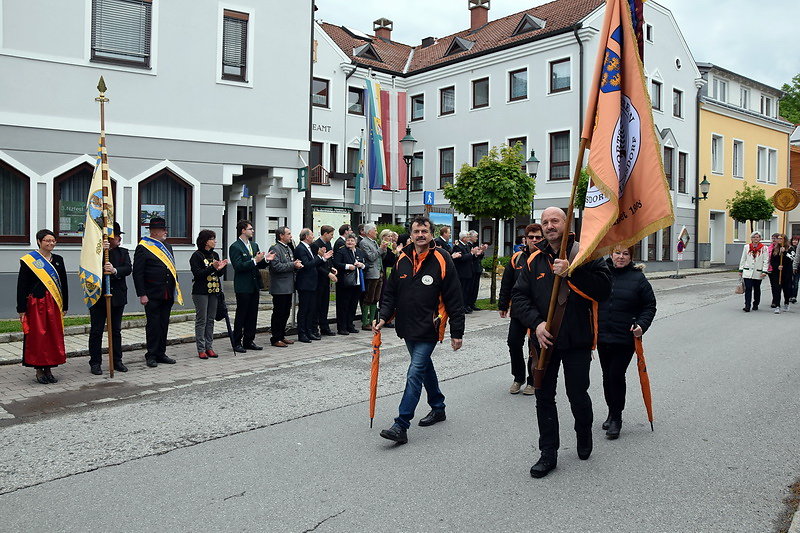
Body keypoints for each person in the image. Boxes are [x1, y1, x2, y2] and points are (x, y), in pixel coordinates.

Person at [511, 207, 611, 478]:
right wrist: (537, 324)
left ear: (567, 224)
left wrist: (572, 273)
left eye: (555, 220)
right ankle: (548, 452)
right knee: (543, 396)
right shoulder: (532, 260)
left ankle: (583, 433)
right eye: (545, 222)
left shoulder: (586, 252)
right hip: (544, 342)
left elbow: (604, 290)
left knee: (577, 394)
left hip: (577, 339)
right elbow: (519, 298)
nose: (549, 225)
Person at [375, 216, 465, 445]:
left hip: (430, 325)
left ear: (431, 233)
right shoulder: (402, 258)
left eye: (424, 231)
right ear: (411, 234)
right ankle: (438, 407)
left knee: (414, 372)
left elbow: (454, 297)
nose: (420, 235)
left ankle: (401, 424)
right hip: (407, 326)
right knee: (424, 367)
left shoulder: (442, 258)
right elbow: (391, 292)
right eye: (416, 231)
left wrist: (457, 331)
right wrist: (383, 317)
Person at [597, 245, 657, 440]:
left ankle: (617, 417)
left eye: (625, 254)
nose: (620, 257)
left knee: (616, 375)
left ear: (631, 257)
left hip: (625, 337)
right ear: (611, 254)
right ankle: (611, 410)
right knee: (607, 376)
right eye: (617, 253)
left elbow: (649, 306)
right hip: (603, 335)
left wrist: (641, 325)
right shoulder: (601, 274)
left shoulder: (638, 278)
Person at [17, 229, 68, 384]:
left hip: (53, 303)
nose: (51, 243)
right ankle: (39, 369)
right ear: (39, 241)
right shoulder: (29, 261)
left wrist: (65, 305)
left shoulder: (58, 260)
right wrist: (21, 308)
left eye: (53, 240)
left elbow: (63, 284)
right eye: (47, 240)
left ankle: (49, 368)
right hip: (36, 304)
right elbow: (22, 285)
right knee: (38, 336)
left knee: (53, 336)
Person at [498, 224, 543, 395]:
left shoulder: (545, 258)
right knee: (513, 343)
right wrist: (503, 305)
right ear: (525, 239)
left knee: (535, 346)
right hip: (518, 310)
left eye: (538, 237)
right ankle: (518, 378)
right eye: (531, 237)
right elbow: (507, 283)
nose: (534, 240)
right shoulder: (517, 258)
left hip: (538, 312)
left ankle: (532, 381)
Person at [133, 217, 182, 368]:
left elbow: (170, 268)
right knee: (153, 325)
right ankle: (151, 354)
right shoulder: (143, 247)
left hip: (166, 292)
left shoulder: (167, 246)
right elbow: (138, 273)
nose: (165, 232)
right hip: (152, 293)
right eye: (162, 229)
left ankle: (161, 353)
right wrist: (142, 294)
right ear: (154, 232)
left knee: (164, 324)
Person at [88, 222, 131, 375]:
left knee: (116, 330)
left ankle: (117, 360)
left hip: (117, 297)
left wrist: (114, 270)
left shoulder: (123, 252)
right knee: (97, 330)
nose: (119, 239)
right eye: (116, 236)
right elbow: (89, 266)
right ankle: (95, 362)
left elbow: (127, 269)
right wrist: (100, 250)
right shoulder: (95, 252)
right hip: (98, 297)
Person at [229, 220, 273, 353]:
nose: (252, 231)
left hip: (254, 285)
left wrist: (265, 260)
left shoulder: (254, 245)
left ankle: (249, 340)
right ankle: (236, 342)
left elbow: (258, 265)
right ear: (243, 230)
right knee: (241, 314)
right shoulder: (235, 247)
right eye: (250, 229)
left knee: (253, 314)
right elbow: (238, 267)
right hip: (243, 285)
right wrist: (254, 260)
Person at [191, 229, 229, 359]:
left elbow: (218, 275)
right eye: (212, 239)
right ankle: (201, 349)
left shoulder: (215, 255)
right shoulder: (197, 256)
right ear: (206, 241)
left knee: (211, 320)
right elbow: (198, 274)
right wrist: (212, 267)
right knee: (202, 320)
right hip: (201, 292)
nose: (215, 241)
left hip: (214, 291)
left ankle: (209, 347)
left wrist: (221, 268)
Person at [269, 226, 303, 347]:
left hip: (288, 286)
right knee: (278, 313)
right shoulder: (275, 248)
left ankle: (282, 335)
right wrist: (293, 265)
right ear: (281, 236)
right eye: (288, 234)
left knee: (285, 313)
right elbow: (276, 266)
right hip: (279, 287)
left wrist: (295, 264)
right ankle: (275, 337)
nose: (291, 236)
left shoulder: (288, 247)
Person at [295, 228, 331, 343]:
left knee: (311, 309)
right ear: (306, 237)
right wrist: (321, 257)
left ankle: (309, 331)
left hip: (312, 283)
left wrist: (323, 258)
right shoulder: (300, 249)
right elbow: (307, 265)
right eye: (311, 235)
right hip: (305, 283)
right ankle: (302, 333)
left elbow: (314, 263)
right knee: (304, 309)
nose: (313, 237)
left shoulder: (310, 248)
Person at [332, 233, 365, 335]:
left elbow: (364, 263)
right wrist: (347, 266)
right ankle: (342, 327)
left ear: (355, 242)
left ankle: (350, 325)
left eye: (352, 241)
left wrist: (362, 265)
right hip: (345, 282)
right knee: (343, 305)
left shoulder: (359, 251)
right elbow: (336, 263)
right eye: (348, 240)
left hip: (356, 282)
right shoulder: (341, 251)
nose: (350, 242)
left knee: (353, 304)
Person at [358, 223, 386, 330]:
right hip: (371, 274)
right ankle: (365, 322)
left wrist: (384, 249)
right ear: (369, 232)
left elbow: (381, 256)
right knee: (368, 298)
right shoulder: (364, 243)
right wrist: (380, 249)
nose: (377, 232)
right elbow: (371, 257)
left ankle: (372, 320)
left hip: (379, 273)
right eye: (375, 230)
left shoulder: (374, 242)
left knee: (376, 298)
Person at [312, 225, 338, 337]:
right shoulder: (316, 245)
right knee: (317, 305)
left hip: (325, 280)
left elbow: (328, 260)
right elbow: (316, 264)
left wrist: (331, 267)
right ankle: (314, 328)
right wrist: (328, 273)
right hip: (318, 279)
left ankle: (324, 327)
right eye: (331, 234)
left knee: (324, 304)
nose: (332, 237)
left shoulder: (328, 244)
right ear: (325, 233)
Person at [738, 231, 769, 312]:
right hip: (747, 271)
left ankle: (756, 304)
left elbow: (766, 260)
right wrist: (741, 270)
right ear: (751, 238)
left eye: (757, 237)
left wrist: (764, 271)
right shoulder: (746, 247)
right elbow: (743, 258)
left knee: (757, 288)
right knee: (748, 288)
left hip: (758, 272)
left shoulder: (764, 248)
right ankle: (747, 305)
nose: (756, 239)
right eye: (754, 237)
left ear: (760, 238)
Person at [768, 233, 793, 313]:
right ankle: (777, 305)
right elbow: (772, 261)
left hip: (787, 273)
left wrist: (784, 253)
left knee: (787, 289)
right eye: (778, 238)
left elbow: (791, 259)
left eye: (781, 239)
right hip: (777, 273)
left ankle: (786, 303)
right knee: (776, 289)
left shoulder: (790, 249)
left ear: (784, 240)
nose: (779, 240)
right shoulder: (775, 249)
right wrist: (777, 266)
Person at [451, 231, 474, 314]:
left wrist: (474, 254)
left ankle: (466, 305)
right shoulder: (458, 247)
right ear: (463, 238)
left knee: (467, 290)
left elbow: (469, 257)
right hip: (462, 272)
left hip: (468, 271)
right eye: (467, 237)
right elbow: (461, 258)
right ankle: (461, 307)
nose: (468, 238)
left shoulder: (467, 246)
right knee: (462, 290)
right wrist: (471, 254)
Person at [468, 230, 487, 310]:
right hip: (472, 269)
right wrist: (476, 253)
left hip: (477, 268)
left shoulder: (474, 245)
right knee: (471, 288)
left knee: (475, 288)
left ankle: (472, 303)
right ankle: (468, 304)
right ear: (470, 237)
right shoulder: (468, 246)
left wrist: (481, 251)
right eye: (475, 236)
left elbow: (479, 257)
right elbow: (471, 257)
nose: (477, 238)